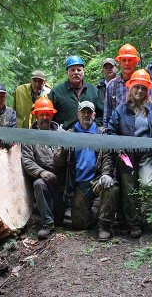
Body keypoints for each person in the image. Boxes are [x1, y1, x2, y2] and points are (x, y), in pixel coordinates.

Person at [107, 69, 152, 238]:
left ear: (148, 90)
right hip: (126, 156)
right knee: (130, 190)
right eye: (136, 87)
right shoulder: (120, 110)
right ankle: (134, 224)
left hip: (147, 156)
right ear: (130, 88)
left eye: (143, 88)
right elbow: (111, 131)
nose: (139, 91)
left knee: (148, 185)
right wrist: (119, 148)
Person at [58, 101, 119, 241]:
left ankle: (104, 226)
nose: (86, 115)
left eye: (89, 112)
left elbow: (108, 157)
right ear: (78, 114)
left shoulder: (102, 133)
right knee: (80, 225)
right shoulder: (69, 134)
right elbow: (58, 162)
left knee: (111, 187)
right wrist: (63, 150)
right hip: (79, 184)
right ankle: (97, 209)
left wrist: (106, 174)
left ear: (94, 115)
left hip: (96, 179)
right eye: (83, 112)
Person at [21, 96, 65, 240]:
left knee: (64, 219)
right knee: (38, 184)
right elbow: (27, 160)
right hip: (43, 180)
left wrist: (65, 153)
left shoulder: (63, 135)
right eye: (42, 114)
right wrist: (41, 172)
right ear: (36, 115)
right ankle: (47, 224)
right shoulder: (29, 137)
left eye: (48, 114)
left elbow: (67, 161)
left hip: (61, 181)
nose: (45, 117)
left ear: (52, 114)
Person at [103, 44, 152, 127]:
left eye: (130, 60)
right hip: (118, 132)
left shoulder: (145, 83)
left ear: (136, 62)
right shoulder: (112, 85)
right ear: (119, 62)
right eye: (124, 60)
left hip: (141, 130)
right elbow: (107, 115)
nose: (127, 63)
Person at [48, 56, 103, 130]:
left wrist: (91, 126)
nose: (76, 72)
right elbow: (49, 115)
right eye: (73, 70)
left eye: (79, 70)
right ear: (67, 72)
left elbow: (102, 115)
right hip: (64, 135)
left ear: (83, 71)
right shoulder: (57, 92)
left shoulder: (94, 90)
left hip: (89, 135)